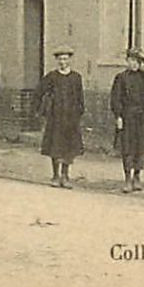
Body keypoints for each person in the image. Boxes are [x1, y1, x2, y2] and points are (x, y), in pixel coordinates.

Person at [110, 47, 144, 192]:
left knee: (140, 148)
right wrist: (118, 116)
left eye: (137, 61)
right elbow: (115, 99)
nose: (133, 64)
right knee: (128, 149)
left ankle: (137, 177)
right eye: (131, 61)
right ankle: (128, 179)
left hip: (142, 116)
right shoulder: (121, 77)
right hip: (127, 116)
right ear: (127, 61)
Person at [38, 45, 85, 188]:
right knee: (55, 146)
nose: (63, 62)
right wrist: (42, 110)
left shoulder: (76, 77)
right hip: (56, 117)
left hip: (71, 117)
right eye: (60, 59)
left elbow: (79, 97)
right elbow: (39, 91)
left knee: (69, 147)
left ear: (70, 60)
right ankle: (55, 175)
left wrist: (79, 112)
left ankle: (65, 175)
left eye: (65, 59)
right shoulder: (52, 77)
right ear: (57, 61)